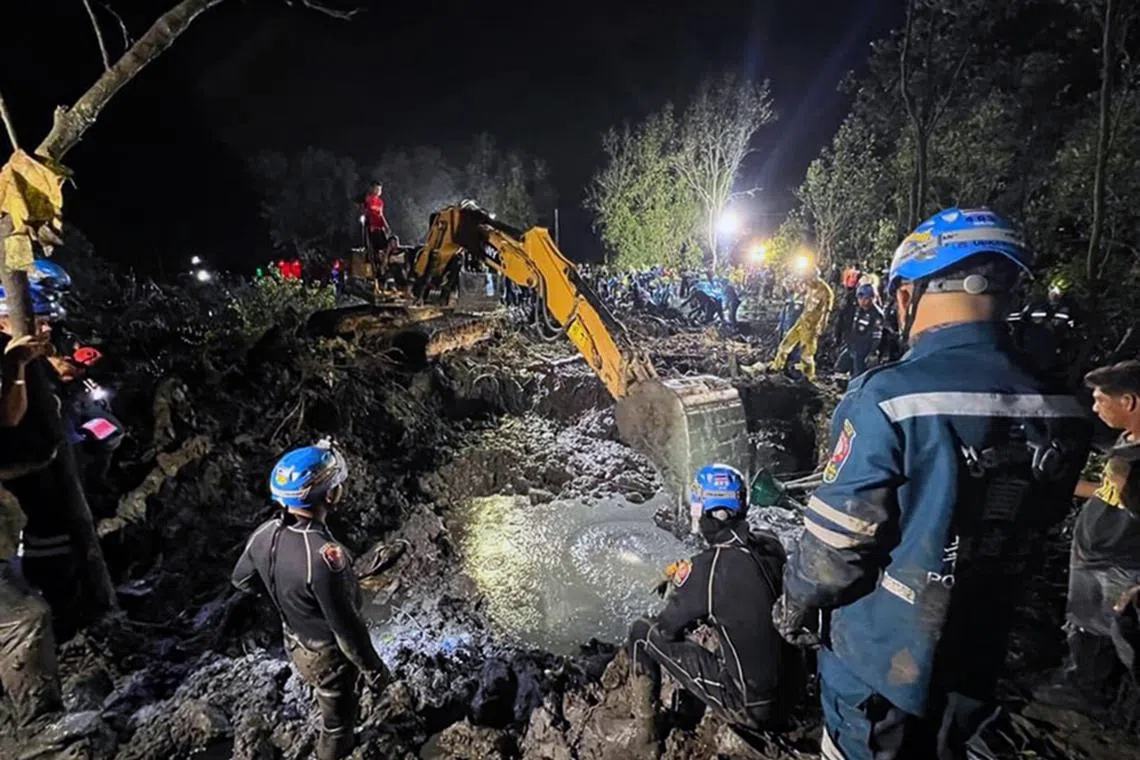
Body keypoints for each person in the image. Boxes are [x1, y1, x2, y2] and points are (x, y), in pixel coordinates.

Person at [774, 208, 1093, 760]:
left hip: (882, 663)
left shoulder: (887, 400)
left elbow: (833, 557)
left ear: (907, 294)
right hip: (983, 653)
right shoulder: (1064, 407)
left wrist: (793, 604)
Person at [232, 440, 392, 760]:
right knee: (337, 725)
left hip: (293, 640)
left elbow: (241, 581)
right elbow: (347, 630)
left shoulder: (263, 534)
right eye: (338, 484)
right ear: (330, 495)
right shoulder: (326, 557)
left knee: (326, 693)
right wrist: (375, 671)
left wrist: (291, 600)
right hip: (326, 656)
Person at [628, 464, 793, 738]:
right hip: (794, 694)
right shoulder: (772, 546)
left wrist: (685, 585)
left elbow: (667, 629)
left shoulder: (707, 569)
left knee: (641, 632)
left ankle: (647, 738)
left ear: (708, 513)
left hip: (753, 707)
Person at [1034, 360, 1140, 714]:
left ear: (1129, 401)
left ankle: (1102, 697)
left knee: (1120, 634)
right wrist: (1062, 486)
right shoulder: (1128, 440)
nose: (1095, 408)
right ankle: (1083, 684)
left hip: (1121, 563)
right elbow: (1109, 492)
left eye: (1100, 400)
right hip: (1095, 554)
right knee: (1084, 623)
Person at [764, 267, 833, 381]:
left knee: (807, 353)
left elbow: (826, 312)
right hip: (802, 320)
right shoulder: (808, 286)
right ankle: (777, 366)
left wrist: (822, 325)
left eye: (809, 280)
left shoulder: (825, 291)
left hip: (812, 326)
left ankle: (808, 377)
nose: (807, 282)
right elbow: (799, 292)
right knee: (785, 344)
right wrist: (790, 286)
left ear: (815, 278)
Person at [840, 284, 884, 377]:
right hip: (853, 345)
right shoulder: (858, 309)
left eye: (866, 298)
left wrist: (871, 352)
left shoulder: (876, 314)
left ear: (872, 298)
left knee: (858, 374)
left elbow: (876, 336)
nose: (862, 301)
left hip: (864, 349)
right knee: (840, 367)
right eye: (860, 298)